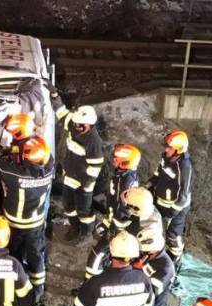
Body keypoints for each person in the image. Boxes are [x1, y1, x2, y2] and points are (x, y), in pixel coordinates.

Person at [0, 136, 55, 306]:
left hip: (14, 224)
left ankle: (16, 287)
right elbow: (46, 156)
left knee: (14, 256)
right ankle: (37, 291)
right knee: (37, 257)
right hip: (36, 224)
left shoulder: (15, 174)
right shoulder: (49, 168)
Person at [53, 93, 105, 243]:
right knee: (68, 205)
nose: (77, 128)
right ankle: (74, 226)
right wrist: (54, 96)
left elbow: (95, 166)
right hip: (70, 176)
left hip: (84, 183)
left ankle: (86, 232)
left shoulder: (93, 141)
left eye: (81, 126)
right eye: (76, 124)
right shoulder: (75, 124)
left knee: (84, 211)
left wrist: (86, 185)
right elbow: (62, 113)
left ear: (90, 124)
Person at [84, 145, 140, 279]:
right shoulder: (123, 176)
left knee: (97, 255)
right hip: (115, 223)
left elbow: (123, 211)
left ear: (125, 162)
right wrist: (106, 222)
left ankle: (90, 282)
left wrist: (113, 229)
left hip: (119, 227)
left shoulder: (126, 181)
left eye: (117, 158)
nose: (113, 159)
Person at [85, 187, 162, 279]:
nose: (124, 204)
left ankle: (92, 281)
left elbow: (139, 251)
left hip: (128, 251)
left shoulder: (148, 230)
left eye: (127, 205)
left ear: (136, 209)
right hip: (124, 242)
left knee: (99, 255)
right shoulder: (145, 208)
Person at [146, 130, 192, 272]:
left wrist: (173, 212)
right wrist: (148, 186)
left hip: (176, 208)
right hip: (160, 202)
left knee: (173, 235)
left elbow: (183, 195)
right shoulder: (166, 158)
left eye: (170, 147)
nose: (166, 149)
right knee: (154, 229)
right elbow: (157, 174)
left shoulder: (184, 167)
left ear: (178, 150)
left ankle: (175, 257)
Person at [0, 113, 37, 214]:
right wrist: (3, 150)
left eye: (13, 133)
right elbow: (17, 150)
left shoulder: (28, 151)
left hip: (22, 203)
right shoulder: (33, 144)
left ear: (20, 133)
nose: (11, 135)